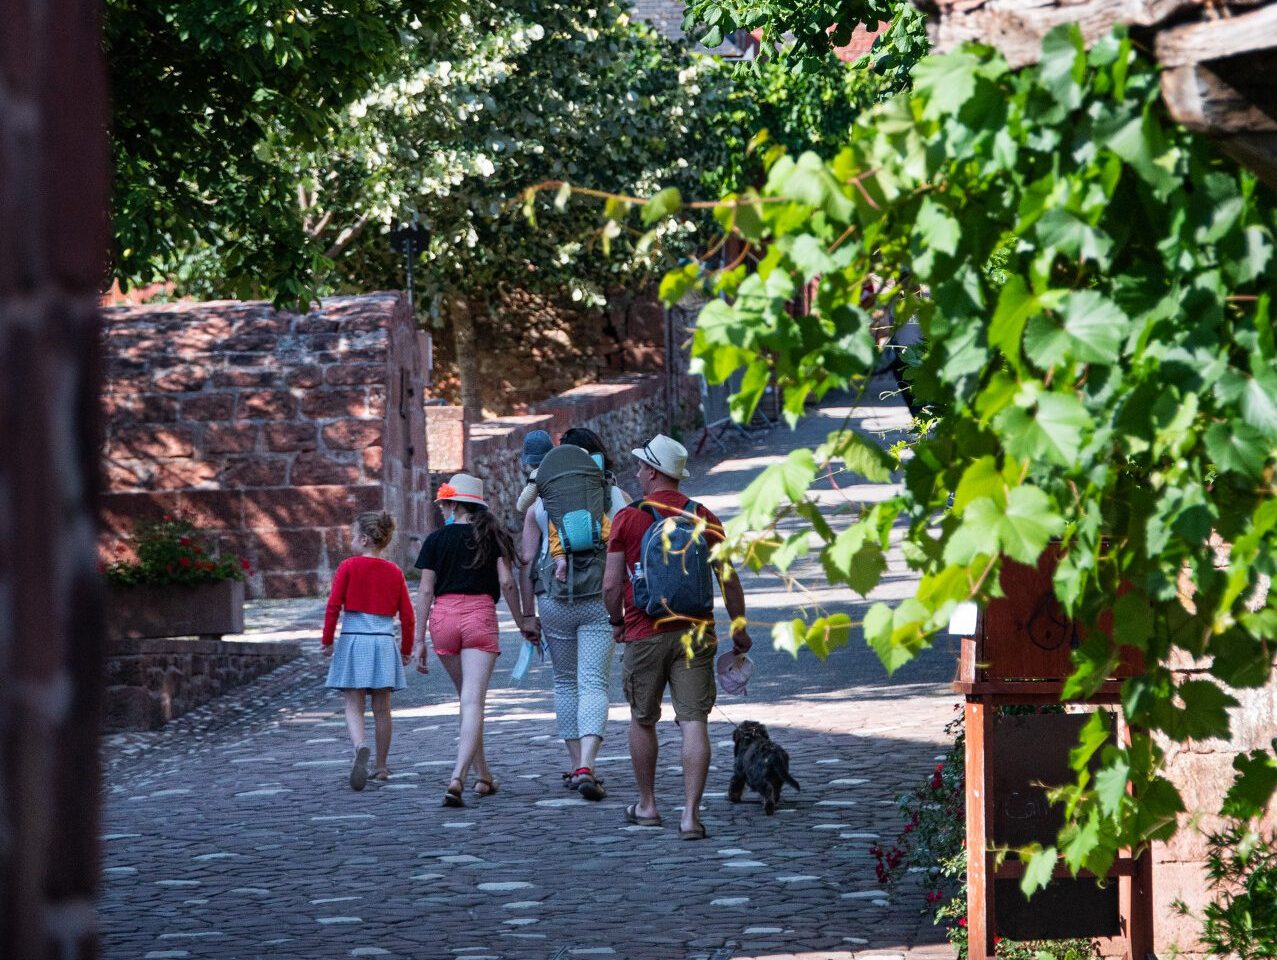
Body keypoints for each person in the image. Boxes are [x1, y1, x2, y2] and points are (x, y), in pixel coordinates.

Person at [603, 434, 752, 839]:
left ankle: (648, 805)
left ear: (652, 472)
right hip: (696, 634)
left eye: (640, 467)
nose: (636, 472)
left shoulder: (629, 518)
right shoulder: (704, 517)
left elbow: (611, 586)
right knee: (693, 721)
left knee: (643, 717)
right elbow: (729, 581)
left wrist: (617, 623)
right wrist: (739, 629)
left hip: (642, 631)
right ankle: (690, 815)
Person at [413, 473, 538, 807]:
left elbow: (425, 590)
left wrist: (418, 640)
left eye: (444, 504)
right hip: (479, 617)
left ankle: (483, 775)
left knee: (467, 701)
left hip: (443, 618)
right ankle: (458, 777)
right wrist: (522, 620)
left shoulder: (435, 541)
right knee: (473, 702)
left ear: (454, 504)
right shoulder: (492, 537)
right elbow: (508, 584)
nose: (441, 509)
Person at [518, 427, 630, 800]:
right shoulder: (615, 495)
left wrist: (526, 615)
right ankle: (588, 764)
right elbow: (632, 556)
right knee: (594, 683)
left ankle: (573, 764)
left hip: (554, 600)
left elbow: (527, 561)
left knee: (565, 682)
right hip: (601, 597)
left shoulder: (541, 501)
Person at [322, 511, 415, 791]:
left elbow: (333, 605)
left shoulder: (348, 567)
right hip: (384, 642)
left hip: (354, 639)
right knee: (383, 708)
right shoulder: (395, 572)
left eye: (352, 536)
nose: (351, 540)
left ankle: (361, 746)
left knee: (353, 703)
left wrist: (327, 639)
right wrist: (407, 648)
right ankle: (382, 766)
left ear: (363, 539)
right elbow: (407, 616)